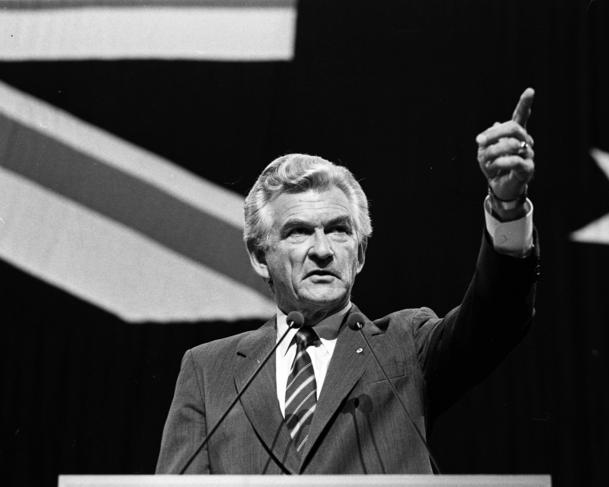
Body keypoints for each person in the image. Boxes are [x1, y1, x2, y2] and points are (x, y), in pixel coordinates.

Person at [156, 88, 540, 474]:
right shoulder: (208, 370)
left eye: (339, 230)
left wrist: (507, 207)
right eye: (299, 232)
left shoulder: (406, 346)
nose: (322, 250)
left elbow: (496, 317)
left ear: (359, 254)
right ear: (259, 256)